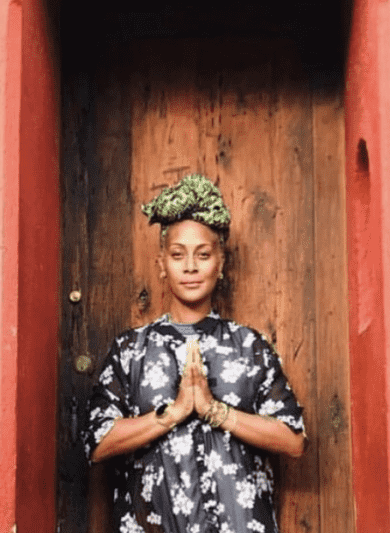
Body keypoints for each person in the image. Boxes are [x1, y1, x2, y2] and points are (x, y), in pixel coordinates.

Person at [85, 174, 307, 533]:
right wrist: (172, 415)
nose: (190, 267)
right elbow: (97, 442)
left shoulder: (250, 347)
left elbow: (293, 440)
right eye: (178, 255)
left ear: (220, 264)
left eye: (203, 255)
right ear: (161, 264)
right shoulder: (130, 350)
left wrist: (213, 411)